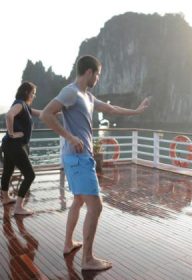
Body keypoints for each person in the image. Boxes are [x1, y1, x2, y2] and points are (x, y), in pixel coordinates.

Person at [40, 55, 149, 270]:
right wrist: (70, 137)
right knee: (96, 206)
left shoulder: (87, 97)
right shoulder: (70, 91)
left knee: (79, 200)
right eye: (97, 74)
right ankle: (87, 260)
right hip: (78, 157)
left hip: (81, 157)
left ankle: (68, 243)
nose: (98, 78)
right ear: (89, 72)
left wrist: (136, 111)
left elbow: (111, 109)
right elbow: (46, 114)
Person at [0, 81, 42, 215]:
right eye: (33, 93)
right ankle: (19, 207)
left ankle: (6, 198)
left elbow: (41, 113)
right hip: (14, 145)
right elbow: (9, 115)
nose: (34, 96)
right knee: (30, 175)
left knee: (8, 171)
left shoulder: (26, 106)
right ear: (26, 93)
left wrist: (60, 113)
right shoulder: (19, 104)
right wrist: (12, 133)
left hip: (9, 144)